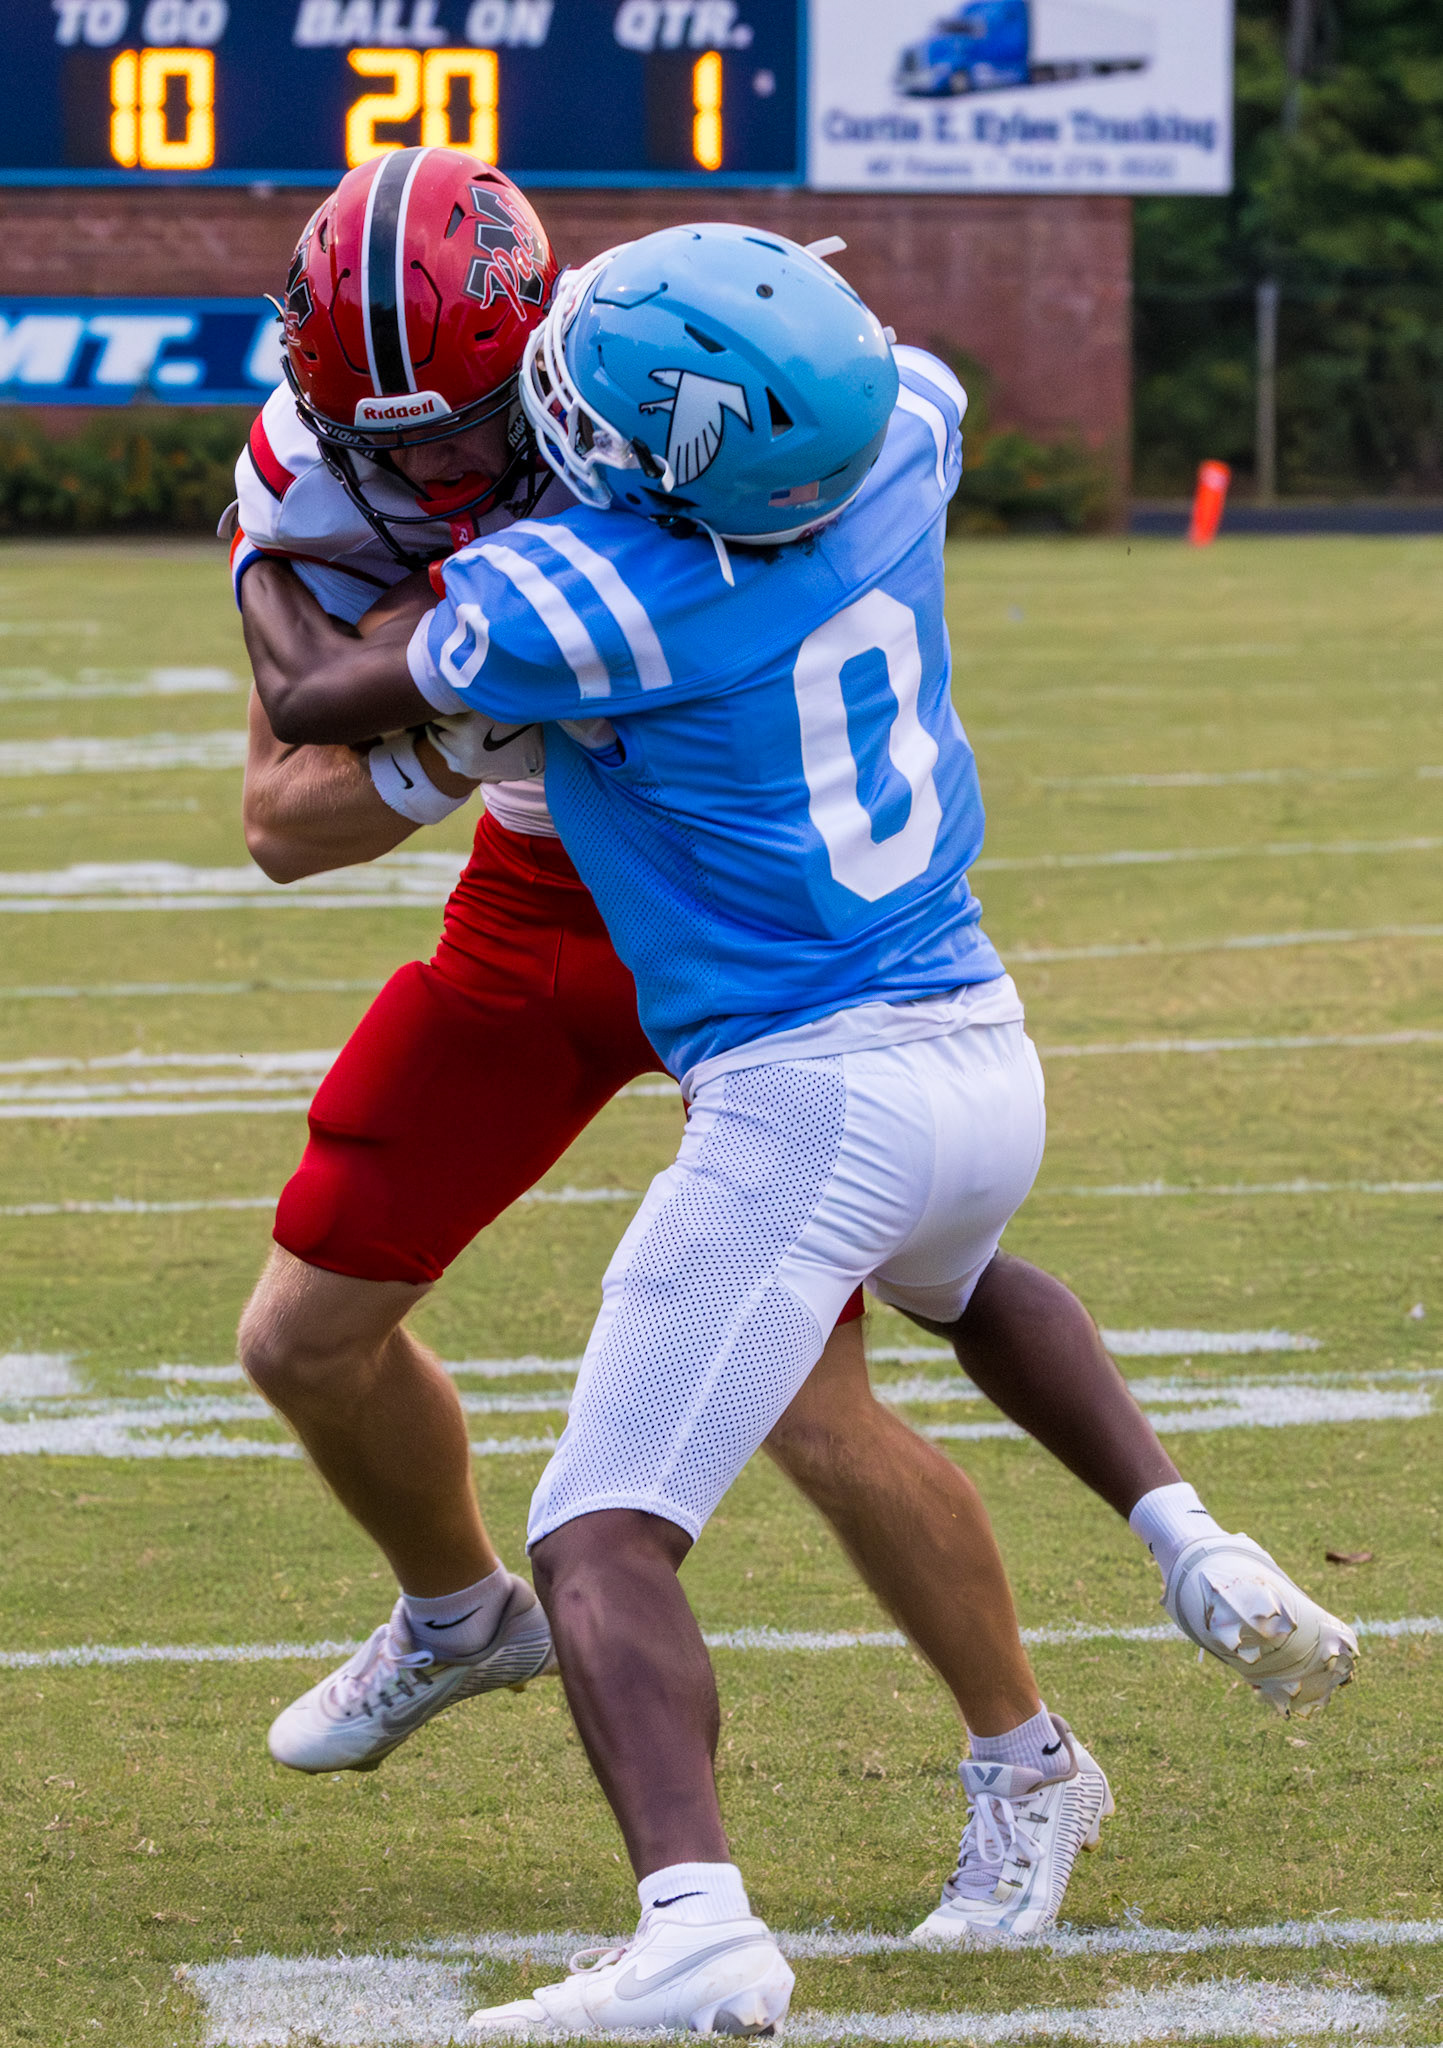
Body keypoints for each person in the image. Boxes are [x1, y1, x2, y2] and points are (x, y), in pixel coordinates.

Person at [241, 220, 1356, 2028]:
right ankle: (1181, 1533)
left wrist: (257, 546)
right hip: (958, 1023)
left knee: (608, 1527)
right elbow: (885, 380)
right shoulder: (895, 430)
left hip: (796, 1060)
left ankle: (716, 1913)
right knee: (956, 1279)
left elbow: (314, 704)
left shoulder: (583, 593)